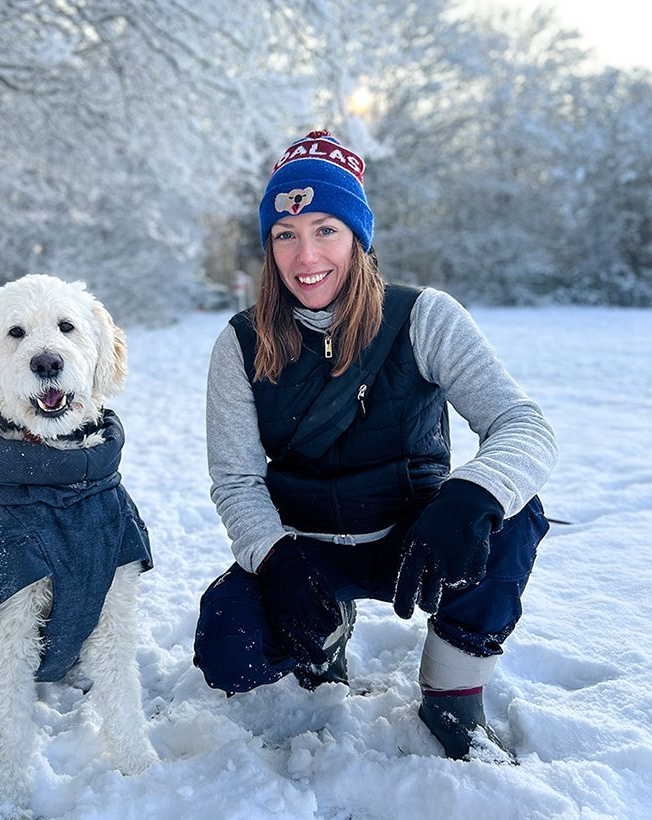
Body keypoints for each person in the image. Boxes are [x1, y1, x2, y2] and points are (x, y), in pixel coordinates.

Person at [193, 130, 556, 760]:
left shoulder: (424, 317)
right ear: (268, 247)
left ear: (358, 236)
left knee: (511, 512)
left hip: (414, 541)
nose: (306, 255)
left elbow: (523, 424)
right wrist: (275, 562)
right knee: (228, 649)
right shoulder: (240, 344)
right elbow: (237, 480)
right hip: (305, 552)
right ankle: (325, 630)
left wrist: (470, 496)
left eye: (326, 229)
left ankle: (452, 696)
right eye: (285, 235)